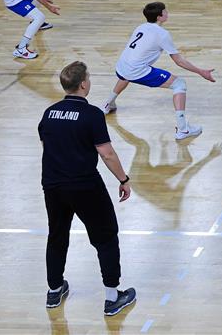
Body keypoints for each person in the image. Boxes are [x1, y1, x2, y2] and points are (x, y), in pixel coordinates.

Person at [39, 60, 137, 316]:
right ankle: (112, 297)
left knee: (57, 235)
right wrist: (123, 179)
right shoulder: (92, 114)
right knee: (106, 237)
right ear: (83, 84)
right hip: (84, 185)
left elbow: (46, 146)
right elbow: (107, 153)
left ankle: (54, 290)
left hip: (53, 185)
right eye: (89, 78)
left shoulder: (49, 113)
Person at [102, 2, 215, 139]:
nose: (167, 13)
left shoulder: (141, 27)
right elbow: (179, 61)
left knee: (127, 74)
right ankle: (183, 129)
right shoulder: (162, 34)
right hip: (135, 70)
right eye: (165, 11)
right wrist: (201, 71)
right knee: (179, 84)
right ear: (159, 17)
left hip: (121, 66)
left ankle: (107, 104)